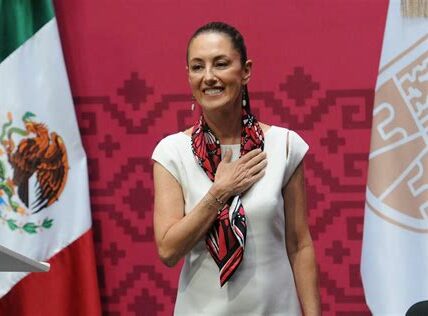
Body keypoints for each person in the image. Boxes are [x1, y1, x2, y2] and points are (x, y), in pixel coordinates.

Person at [152, 22, 320, 315]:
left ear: (245, 71)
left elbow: (299, 245)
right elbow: (168, 250)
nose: (209, 77)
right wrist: (220, 192)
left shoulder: (285, 145)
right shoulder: (171, 152)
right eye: (197, 67)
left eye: (220, 64)